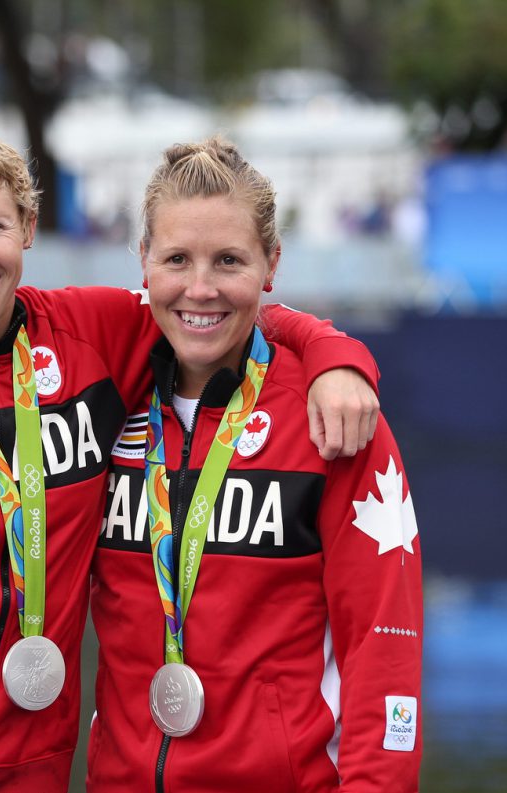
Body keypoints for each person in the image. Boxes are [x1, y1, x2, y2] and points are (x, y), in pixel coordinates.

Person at [0, 122, 379, 793]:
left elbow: (214, 305)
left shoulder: (93, 338)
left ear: (28, 225)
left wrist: (335, 356)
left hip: (30, 770)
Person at [88, 136, 422, 791]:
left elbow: (382, 639)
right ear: (144, 262)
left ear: (271, 264)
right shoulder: (103, 399)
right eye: (177, 258)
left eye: (229, 261)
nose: (201, 288)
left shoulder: (333, 418)